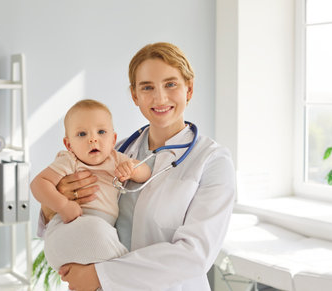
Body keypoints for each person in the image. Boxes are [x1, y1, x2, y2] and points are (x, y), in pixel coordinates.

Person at [37, 42, 236, 291]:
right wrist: (51, 205)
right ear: (135, 95)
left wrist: (100, 276)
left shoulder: (213, 161)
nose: (160, 97)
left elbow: (195, 255)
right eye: (147, 87)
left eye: (171, 84)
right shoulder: (111, 151)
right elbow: (77, 218)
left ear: (189, 88)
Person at [31, 99, 151, 270]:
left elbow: (146, 172)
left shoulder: (116, 158)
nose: (93, 139)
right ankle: (128, 271)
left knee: (104, 242)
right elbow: (38, 184)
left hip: (98, 238)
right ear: (68, 144)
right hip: (66, 230)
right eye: (82, 134)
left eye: (101, 132)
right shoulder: (69, 160)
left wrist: (132, 170)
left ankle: (124, 273)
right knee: (103, 239)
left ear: (113, 139)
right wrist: (63, 205)